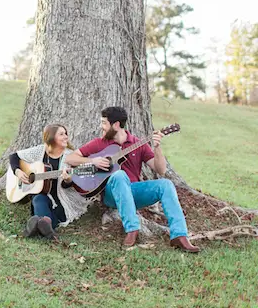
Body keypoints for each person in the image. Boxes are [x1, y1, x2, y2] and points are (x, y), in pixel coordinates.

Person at [65, 106, 200, 253]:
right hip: (111, 195)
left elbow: (160, 169)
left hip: (134, 191)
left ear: (116, 125)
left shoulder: (137, 143)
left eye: (104, 123)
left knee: (166, 184)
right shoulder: (99, 143)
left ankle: (179, 236)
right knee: (119, 175)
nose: (101, 126)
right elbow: (70, 157)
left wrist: (157, 147)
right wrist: (93, 161)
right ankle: (132, 229)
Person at [9, 123, 93, 240]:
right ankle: (46, 229)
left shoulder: (69, 156)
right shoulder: (40, 151)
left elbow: (67, 186)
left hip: (62, 200)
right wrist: (17, 171)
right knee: (38, 198)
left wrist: (68, 180)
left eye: (66, 134)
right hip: (43, 196)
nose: (66, 137)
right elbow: (14, 157)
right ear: (51, 137)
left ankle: (35, 227)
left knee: (45, 208)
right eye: (61, 134)